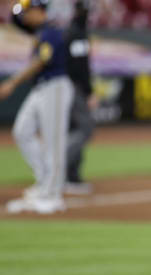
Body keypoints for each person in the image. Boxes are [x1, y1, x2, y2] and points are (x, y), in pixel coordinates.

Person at [0, 0, 73, 214]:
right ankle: (44, 182)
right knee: (22, 131)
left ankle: (52, 195)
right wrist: (18, 10)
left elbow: (41, 60)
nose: (24, 16)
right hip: (40, 88)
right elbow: (16, 20)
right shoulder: (40, 31)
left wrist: (12, 82)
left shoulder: (51, 30)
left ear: (38, 10)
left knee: (53, 142)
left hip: (55, 87)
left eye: (27, 11)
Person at [64, 0, 98, 195]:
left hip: (67, 87)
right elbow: (79, 67)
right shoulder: (77, 34)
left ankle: (72, 176)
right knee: (85, 128)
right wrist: (88, 91)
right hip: (74, 87)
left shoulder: (72, 31)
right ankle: (60, 168)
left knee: (73, 129)